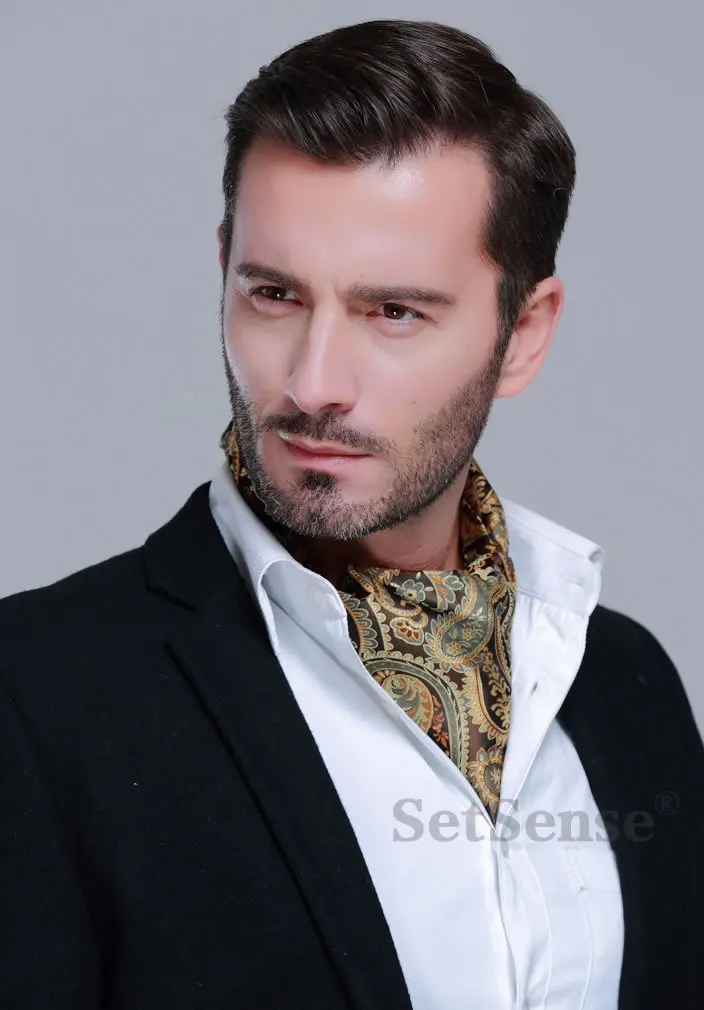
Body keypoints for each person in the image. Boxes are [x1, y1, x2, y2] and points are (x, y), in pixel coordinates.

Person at [1, 17, 702, 1010]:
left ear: (521, 333)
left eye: (394, 311)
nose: (312, 382)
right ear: (224, 271)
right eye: (274, 294)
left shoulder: (626, 680)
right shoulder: (34, 693)